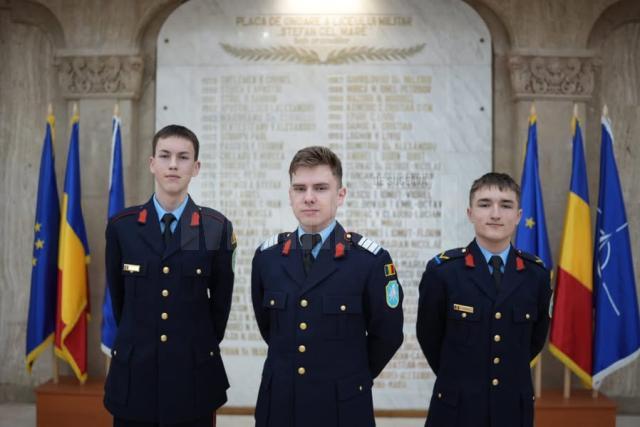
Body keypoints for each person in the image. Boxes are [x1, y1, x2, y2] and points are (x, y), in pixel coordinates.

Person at [251, 146, 404, 427]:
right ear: (290, 195)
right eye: (300, 188)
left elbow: (389, 333)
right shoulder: (267, 257)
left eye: (320, 188)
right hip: (279, 407)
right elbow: (270, 329)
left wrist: (351, 377)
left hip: (342, 408)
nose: (309, 198)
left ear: (340, 195)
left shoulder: (369, 260)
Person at [104, 125, 236, 427]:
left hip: (192, 374)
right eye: (165, 156)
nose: (173, 164)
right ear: (152, 163)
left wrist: (191, 343)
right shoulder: (122, 227)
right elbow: (119, 299)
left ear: (196, 167)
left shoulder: (215, 228)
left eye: (183, 157)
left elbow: (220, 307)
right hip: (135, 374)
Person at [416, 172, 552, 427]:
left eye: (506, 205)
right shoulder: (443, 272)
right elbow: (429, 336)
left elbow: (535, 339)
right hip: (457, 408)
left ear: (519, 216)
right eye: (485, 204)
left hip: (513, 409)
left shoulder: (537, 275)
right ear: (470, 213)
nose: (496, 214)